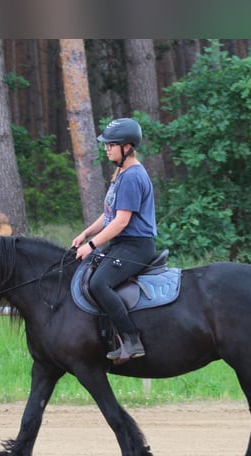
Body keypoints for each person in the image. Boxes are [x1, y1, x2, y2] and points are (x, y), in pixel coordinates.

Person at [72, 118, 157, 360]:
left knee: (99, 283)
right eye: (106, 144)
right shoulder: (121, 173)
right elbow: (109, 214)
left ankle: (132, 340)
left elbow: (121, 222)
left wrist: (91, 245)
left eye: (111, 144)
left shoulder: (132, 177)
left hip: (136, 246)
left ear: (127, 147)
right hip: (122, 243)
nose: (107, 148)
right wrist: (86, 233)